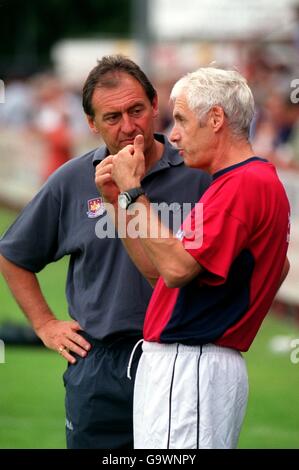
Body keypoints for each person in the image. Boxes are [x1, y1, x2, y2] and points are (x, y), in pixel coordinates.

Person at [0, 55, 211, 449]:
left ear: (154, 106)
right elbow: (13, 255)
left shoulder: (198, 176)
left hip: (181, 361)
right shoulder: (72, 180)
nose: (128, 126)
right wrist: (46, 324)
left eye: (136, 110)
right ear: (91, 124)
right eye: (112, 117)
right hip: (99, 366)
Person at [101, 67, 291, 449]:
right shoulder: (242, 181)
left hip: (192, 363)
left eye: (182, 121)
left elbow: (175, 268)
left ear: (216, 119)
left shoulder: (242, 183)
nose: (172, 135)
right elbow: (160, 272)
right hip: (195, 363)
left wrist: (134, 192)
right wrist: (118, 201)